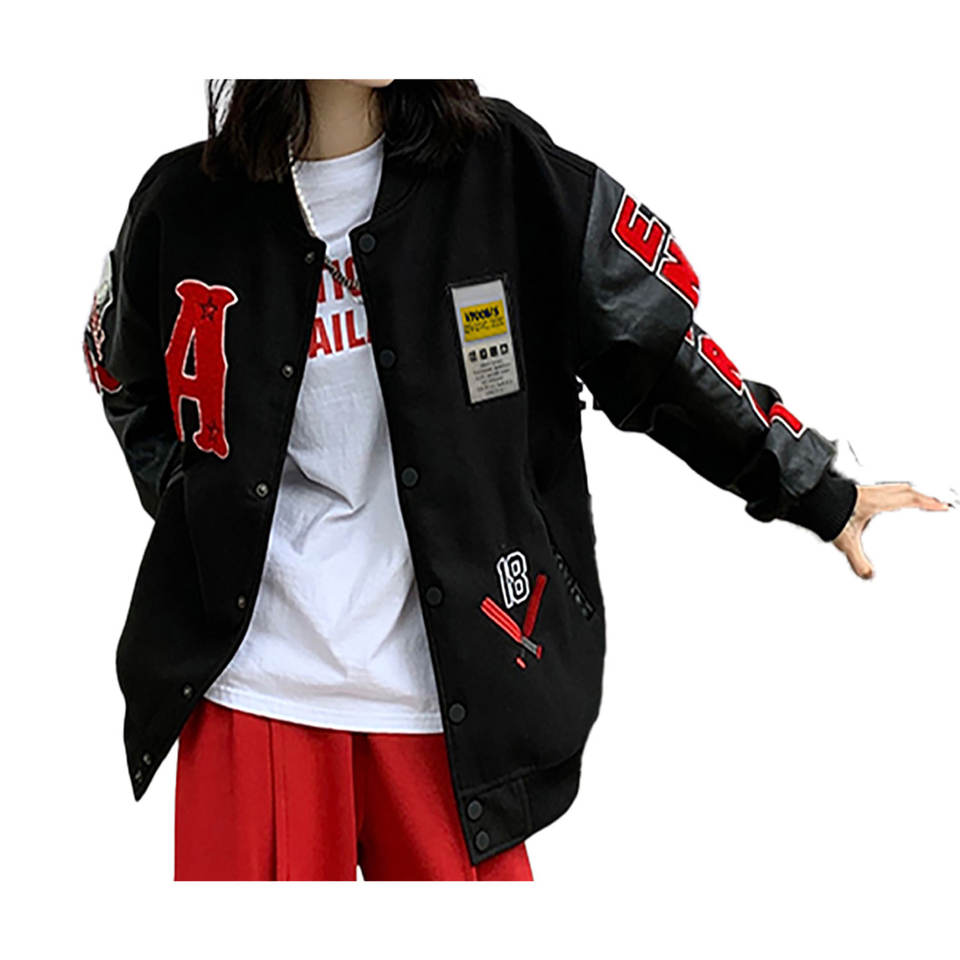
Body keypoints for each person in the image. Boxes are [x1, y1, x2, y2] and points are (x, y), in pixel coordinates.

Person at [83, 79, 950, 882]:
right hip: (255, 691)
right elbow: (123, 377)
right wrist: (204, 521)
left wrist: (814, 487)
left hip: (452, 701)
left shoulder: (506, 173)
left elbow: (654, 353)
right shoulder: (185, 202)